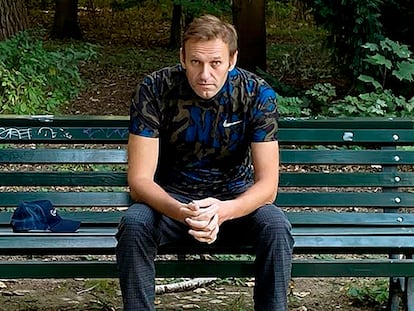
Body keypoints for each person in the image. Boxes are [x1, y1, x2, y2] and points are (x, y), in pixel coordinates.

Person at [115, 14, 294, 311]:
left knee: (275, 225)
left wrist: (224, 211)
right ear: (182, 57)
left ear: (232, 60)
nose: (205, 74)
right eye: (196, 62)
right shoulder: (155, 88)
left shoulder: (256, 94)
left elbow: (268, 186)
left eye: (215, 63)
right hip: (170, 203)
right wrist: (185, 212)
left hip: (234, 201)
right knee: (134, 224)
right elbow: (139, 182)